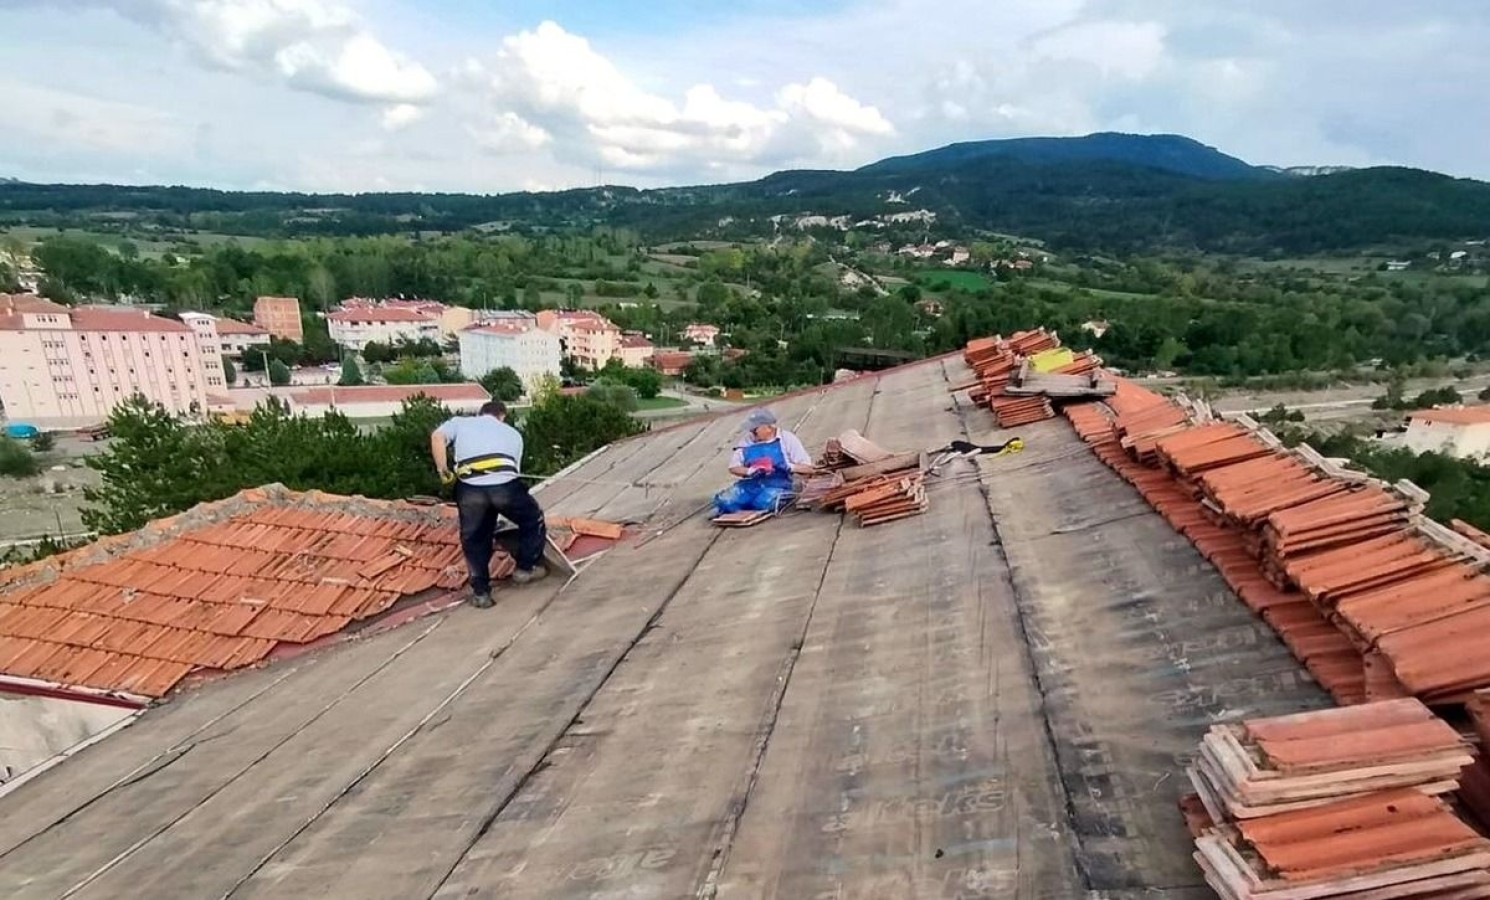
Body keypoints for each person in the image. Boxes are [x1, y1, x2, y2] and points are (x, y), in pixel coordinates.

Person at [430, 400, 547, 608]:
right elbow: (514, 473)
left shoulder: (460, 423)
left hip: (470, 489)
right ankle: (525, 567)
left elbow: (437, 436)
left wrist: (443, 470)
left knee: (475, 538)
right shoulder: (513, 434)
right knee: (532, 519)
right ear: (502, 416)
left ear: (480, 414)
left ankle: (481, 593)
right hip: (505, 486)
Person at [712, 408, 816, 515]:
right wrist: (749, 471)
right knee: (726, 500)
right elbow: (733, 467)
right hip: (752, 484)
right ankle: (732, 507)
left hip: (778, 485)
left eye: (755, 429)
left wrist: (789, 467)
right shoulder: (746, 441)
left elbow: (810, 468)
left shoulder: (786, 439)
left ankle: (750, 506)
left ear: (768, 427)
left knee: (763, 502)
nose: (752, 433)